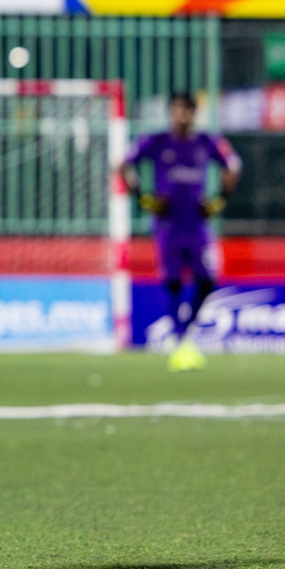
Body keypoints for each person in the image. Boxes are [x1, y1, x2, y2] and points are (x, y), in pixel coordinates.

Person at [117, 92, 241, 371]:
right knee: (173, 281)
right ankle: (180, 340)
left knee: (206, 281)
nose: (181, 115)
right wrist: (143, 198)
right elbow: (124, 163)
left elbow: (233, 166)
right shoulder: (157, 141)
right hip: (168, 224)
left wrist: (219, 199)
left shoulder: (206, 142)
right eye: (176, 110)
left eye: (186, 110)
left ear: (194, 113)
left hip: (197, 223)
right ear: (170, 112)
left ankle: (183, 334)